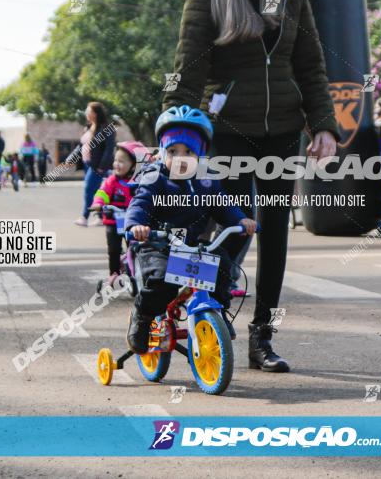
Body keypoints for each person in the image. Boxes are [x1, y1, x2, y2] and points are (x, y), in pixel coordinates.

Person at [163, 0, 339, 372]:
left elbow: (310, 61)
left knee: (276, 233)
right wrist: (174, 126)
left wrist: (323, 124)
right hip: (227, 127)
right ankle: (210, 314)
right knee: (230, 227)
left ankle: (262, 337)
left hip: (283, 128)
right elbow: (190, 61)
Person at [124, 106, 257, 355]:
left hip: (192, 245)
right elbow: (139, 203)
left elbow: (223, 205)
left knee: (223, 267)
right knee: (161, 279)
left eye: (189, 152)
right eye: (173, 151)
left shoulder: (207, 181)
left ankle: (218, 310)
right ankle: (142, 317)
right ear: (163, 152)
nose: (180, 158)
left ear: (201, 154)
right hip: (156, 244)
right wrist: (135, 226)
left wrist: (241, 221)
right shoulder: (155, 178)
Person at [89, 141, 148, 279]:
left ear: (134, 165)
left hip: (133, 223)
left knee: (137, 248)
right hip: (113, 222)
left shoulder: (141, 182)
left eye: (121, 161)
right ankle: (114, 275)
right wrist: (98, 203)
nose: (116, 164)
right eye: (115, 160)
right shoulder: (112, 181)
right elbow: (102, 193)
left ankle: (138, 272)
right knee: (114, 250)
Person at [76, 102, 116, 227]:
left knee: (88, 189)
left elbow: (109, 149)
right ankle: (100, 217)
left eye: (89, 111)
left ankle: (84, 217)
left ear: (96, 113)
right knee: (97, 191)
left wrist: (101, 166)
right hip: (87, 163)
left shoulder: (107, 128)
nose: (87, 114)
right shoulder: (88, 127)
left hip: (97, 165)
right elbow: (82, 145)